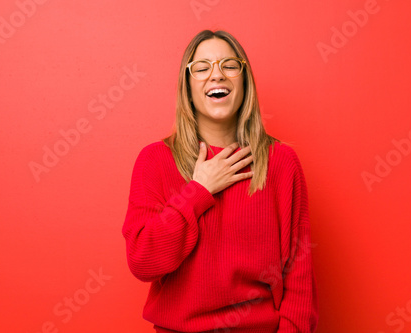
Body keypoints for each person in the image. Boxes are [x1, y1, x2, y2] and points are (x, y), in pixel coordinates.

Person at [122, 29, 318, 332]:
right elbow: (143, 261)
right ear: (187, 87)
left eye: (229, 65)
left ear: (244, 80)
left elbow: (298, 275)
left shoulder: (281, 162)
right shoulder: (155, 160)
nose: (217, 75)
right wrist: (198, 190)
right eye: (202, 68)